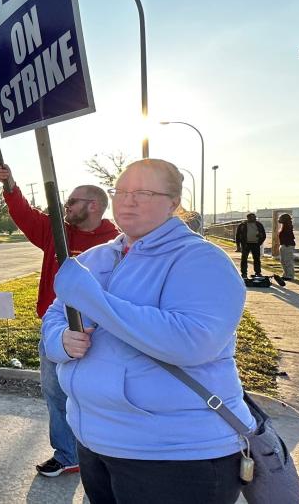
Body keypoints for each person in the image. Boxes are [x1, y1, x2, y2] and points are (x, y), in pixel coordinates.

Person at [41, 159, 254, 504]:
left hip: (175, 454)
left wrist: (93, 300)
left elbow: (192, 342)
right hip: (95, 442)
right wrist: (60, 341)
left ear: (173, 202)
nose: (128, 201)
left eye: (143, 192)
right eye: (121, 192)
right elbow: (54, 314)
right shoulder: (97, 257)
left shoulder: (200, 259)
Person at [0, 164, 119, 478]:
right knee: (55, 392)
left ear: (93, 206)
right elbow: (25, 214)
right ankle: (68, 454)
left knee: (101, 395)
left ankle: (108, 452)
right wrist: (10, 185)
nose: (66, 206)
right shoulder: (57, 232)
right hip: (56, 332)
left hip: (102, 336)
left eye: (73, 202)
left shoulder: (116, 242)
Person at [235, 213, 266, 278]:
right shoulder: (242, 225)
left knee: (257, 259)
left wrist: (259, 242)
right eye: (252, 217)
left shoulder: (259, 225)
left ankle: (258, 272)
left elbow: (263, 235)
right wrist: (238, 245)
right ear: (248, 218)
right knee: (244, 259)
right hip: (245, 245)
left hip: (256, 244)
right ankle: (244, 273)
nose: (254, 218)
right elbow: (237, 236)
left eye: (254, 217)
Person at [278, 213, 296, 280]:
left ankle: (290, 275)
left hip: (287, 245)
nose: (279, 219)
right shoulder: (284, 225)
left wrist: (286, 244)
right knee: (283, 261)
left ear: (284, 219)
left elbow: (290, 237)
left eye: (280, 218)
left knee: (288, 261)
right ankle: (286, 274)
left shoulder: (288, 226)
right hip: (284, 245)